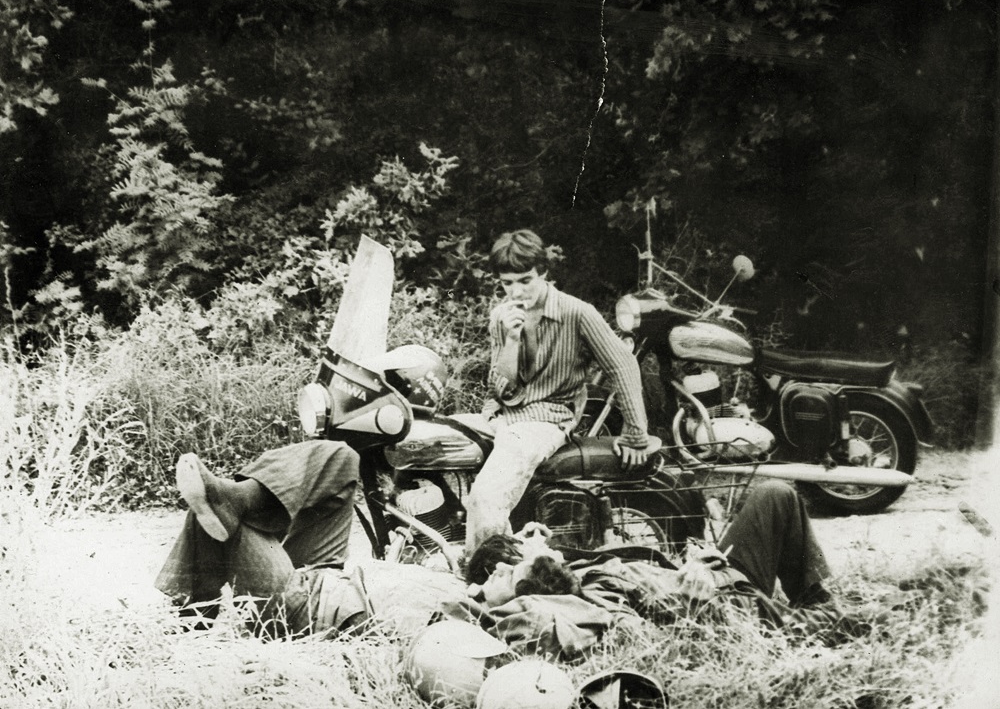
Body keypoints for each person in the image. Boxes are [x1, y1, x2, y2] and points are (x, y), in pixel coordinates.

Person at [154, 442, 587, 639]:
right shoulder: (472, 586)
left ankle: (193, 616)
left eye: (511, 575)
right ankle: (241, 497)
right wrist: (530, 547)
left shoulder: (475, 624)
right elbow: (489, 561)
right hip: (330, 573)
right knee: (342, 459)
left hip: (298, 602)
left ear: (523, 603)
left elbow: (551, 620)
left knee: (220, 521)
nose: (503, 567)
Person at [458, 480, 874, 645]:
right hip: (724, 602)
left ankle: (816, 598)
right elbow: (627, 624)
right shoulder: (566, 593)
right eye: (522, 548)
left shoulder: (570, 565)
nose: (534, 539)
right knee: (863, 621)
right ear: (519, 572)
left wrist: (698, 561)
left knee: (775, 494)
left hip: (713, 572)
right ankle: (824, 619)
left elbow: (649, 566)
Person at [464, 229, 654, 554]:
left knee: (487, 496)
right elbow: (500, 388)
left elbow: (622, 365)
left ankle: (490, 571)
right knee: (438, 446)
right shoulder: (501, 316)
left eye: (525, 280)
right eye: (507, 283)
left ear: (543, 272)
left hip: (548, 416)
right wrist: (511, 340)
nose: (516, 291)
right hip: (503, 414)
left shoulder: (576, 313)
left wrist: (636, 434)